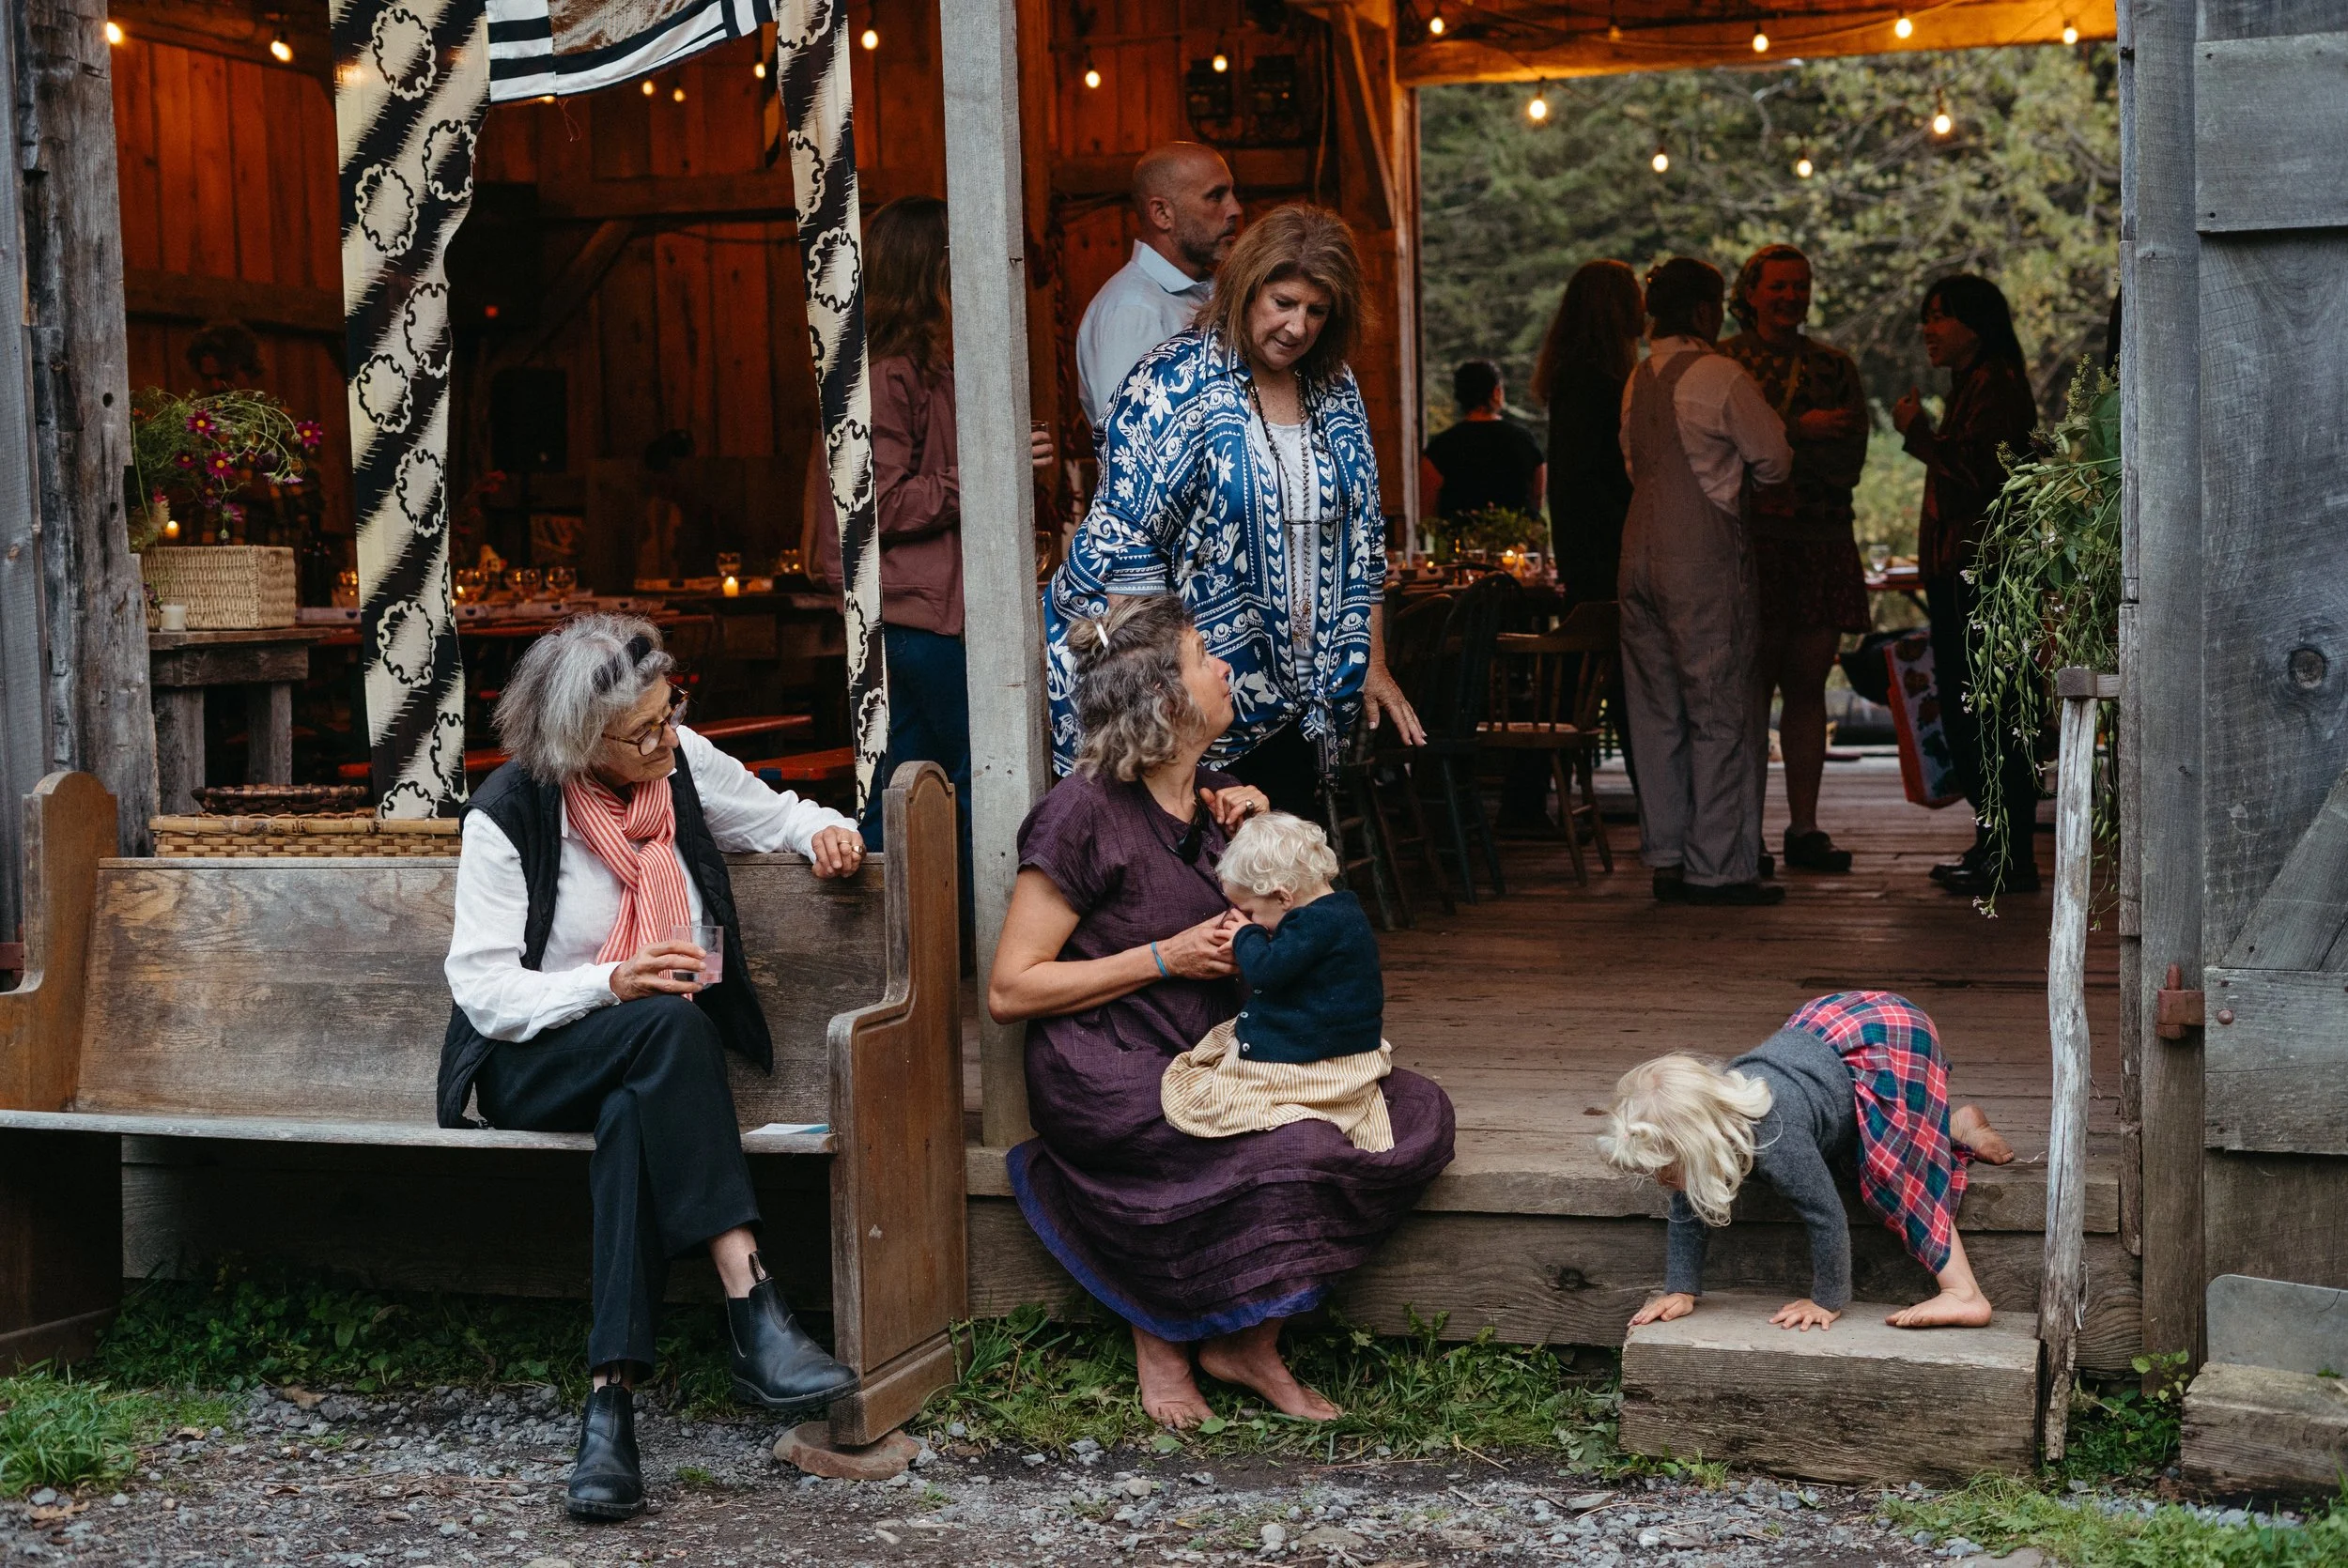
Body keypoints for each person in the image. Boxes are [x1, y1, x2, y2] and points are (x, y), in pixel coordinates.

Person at [439, 615, 868, 1522]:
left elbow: (778, 812)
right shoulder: (509, 813)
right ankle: (753, 1306)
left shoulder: (678, 763)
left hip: (650, 1069)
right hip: (536, 1061)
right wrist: (611, 983)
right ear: (575, 740)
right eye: (643, 732)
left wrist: (827, 828)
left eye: (671, 716)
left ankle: (610, 1409)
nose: (666, 740)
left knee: (640, 1103)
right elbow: (485, 992)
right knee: (667, 1028)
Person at [992, 595, 1456, 1428]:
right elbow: (1009, 989)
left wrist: (1259, 820)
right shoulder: (1080, 815)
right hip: (1113, 1072)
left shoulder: (1212, 798)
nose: (1226, 670)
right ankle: (1167, 1329)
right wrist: (1165, 956)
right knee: (1302, 1146)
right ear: (1170, 701)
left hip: (1228, 1053)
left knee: (1410, 1114)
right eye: (1207, 659)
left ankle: (1239, 1339)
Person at [1045, 204, 1425, 821]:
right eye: (1283, 302)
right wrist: (1166, 683)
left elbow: (1362, 533)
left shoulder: (1334, 386)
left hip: (1297, 683)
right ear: (1247, 289)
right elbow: (1126, 542)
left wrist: (1372, 659)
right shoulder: (1172, 380)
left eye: (1316, 310)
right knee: (1192, 877)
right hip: (1189, 686)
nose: (1297, 327)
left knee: (1282, 869)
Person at [809, 196, 1055, 914]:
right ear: (937, 269)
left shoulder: (919, 365)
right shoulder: (889, 371)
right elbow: (876, 502)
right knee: (980, 775)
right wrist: (993, 466)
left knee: (905, 787)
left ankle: (896, 954)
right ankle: (973, 941)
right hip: (917, 614)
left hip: (917, 611)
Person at [1599, 991, 2018, 1331]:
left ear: (1701, 1143)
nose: (1658, 1180)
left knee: (1893, 1173)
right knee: (1874, 1140)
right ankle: (1954, 1125)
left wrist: (1826, 1300)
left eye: (1662, 1168)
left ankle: (1964, 1293)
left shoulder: (1778, 1139)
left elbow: (1826, 1215)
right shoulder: (1717, 1119)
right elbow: (1687, 1203)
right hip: (1833, 1031)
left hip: (1887, 1039)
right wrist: (1681, 1288)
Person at [1616, 257, 1792, 906]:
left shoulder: (1637, 379)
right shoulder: (1721, 376)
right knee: (1718, 707)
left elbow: (1633, 462)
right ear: (1703, 311)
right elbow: (1774, 460)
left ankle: (1668, 853)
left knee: (1656, 709)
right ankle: (1718, 864)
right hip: (1701, 555)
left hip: (1637, 550)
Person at [1723, 244, 1872, 876]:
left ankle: (1805, 827)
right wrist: (1798, 430)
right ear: (1751, 292)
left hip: (1818, 540)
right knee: (1748, 691)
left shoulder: (1834, 366)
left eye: (1801, 286)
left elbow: (1849, 461)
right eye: (1779, 286)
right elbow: (1721, 453)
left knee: (1808, 686)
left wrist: (1780, 446)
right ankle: (1742, 832)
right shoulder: (1725, 364)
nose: (1791, 297)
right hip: (1749, 547)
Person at [1892, 274, 2042, 897]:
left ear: (1973, 325)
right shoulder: (1973, 385)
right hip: (1964, 572)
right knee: (1974, 711)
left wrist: (1918, 434)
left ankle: (2007, 853)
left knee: (1990, 711)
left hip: (1984, 574)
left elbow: (1978, 478)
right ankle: (1993, 846)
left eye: (1940, 318)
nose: (1928, 329)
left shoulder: (1995, 386)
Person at [1159, 810, 1395, 1153]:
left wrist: (1246, 936)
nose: (1249, 920)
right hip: (1341, 1038)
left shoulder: (1312, 925)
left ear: (1283, 897)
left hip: (1315, 1055)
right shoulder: (1342, 912)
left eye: (1251, 911)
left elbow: (1266, 972)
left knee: (1210, 1095)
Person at [1074, 142, 1243, 428]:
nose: (1235, 209)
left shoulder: (1209, 289)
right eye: (1216, 196)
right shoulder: (1132, 312)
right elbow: (1134, 441)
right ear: (1162, 214)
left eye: (1231, 193)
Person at [1533, 260, 1645, 609]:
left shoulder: (1575, 378)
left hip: (1586, 547)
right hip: (1604, 550)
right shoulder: (1595, 384)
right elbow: (1591, 475)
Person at [1418, 359, 1545, 521]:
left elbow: (1428, 511)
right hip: (1516, 543)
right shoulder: (1524, 441)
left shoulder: (1441, 447)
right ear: (1496, 392)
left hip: (1459, 543)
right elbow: (1537, 501)